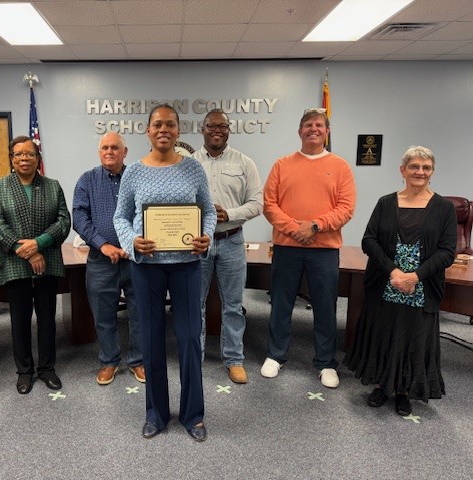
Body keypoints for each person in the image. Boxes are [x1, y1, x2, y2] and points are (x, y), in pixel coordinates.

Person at [114, 104, 216, 442]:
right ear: (147, 130)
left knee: (189, 340)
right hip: (147, 268)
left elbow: (208, 212)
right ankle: (156, 414)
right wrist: (132, 241)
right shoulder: (133, 172)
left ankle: (193, 415)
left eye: (170, 125)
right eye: (157, 124)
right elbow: (120, 217)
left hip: (186, 266)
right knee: (152, 340)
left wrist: (206, 236)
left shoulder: (193, 168)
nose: (163, 130)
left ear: (178, 130)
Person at [344, 146, 456, 416]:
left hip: (422, 286)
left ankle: (404, 391)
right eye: (414, 166)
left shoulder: (444, 208)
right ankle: (381, 386)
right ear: (402, 170)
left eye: (426, 167)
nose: (420, 172)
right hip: (385, 282)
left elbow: (447, 251)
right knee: (383, 332)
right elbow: (369, 240)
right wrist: (394, 272)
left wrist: (415, 276)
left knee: (413, 337)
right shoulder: (386, 203)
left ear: (432, 172)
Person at [261, 109, 356, 388]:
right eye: (308, 125)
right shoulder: (282, 165)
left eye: (319, 125)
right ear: (299, 131)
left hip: (324, 249)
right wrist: (295, 229)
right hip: (287, 247)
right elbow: (269, 205)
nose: (313, 129)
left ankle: (326, 362)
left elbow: (346, 208)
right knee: (281, 303)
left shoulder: (340, 166)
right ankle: (275, 355)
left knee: (325, 306)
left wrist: (314, 226)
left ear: (327, 131)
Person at [0, 135, 71, 395]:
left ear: (38, 158)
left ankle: (47, 368)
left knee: (47, 318)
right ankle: (24, 371)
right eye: (19, 154)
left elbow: (63, 221)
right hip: (14, 261)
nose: (24, 158)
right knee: (20, 319)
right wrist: (24, 250)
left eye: (30, 154)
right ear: (11, 159)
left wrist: (39, 243)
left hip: (47, 259)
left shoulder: (52, 186)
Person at [193, 109, 263, 384]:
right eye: (211, 126)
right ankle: (194, 356)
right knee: (194, 304)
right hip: (198, 243)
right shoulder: (190, 163)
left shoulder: (245, 162)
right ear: (203, 129)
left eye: (222, 126)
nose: (217, 131)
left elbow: (257, 203)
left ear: (228, 130)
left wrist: (229, 214)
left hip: (232, 240)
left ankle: (234, 359)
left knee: (233, 305)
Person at [72, 132, 145, 385]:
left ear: (125, 152)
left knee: (140, 314)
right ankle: (109, 361)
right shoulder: (87, 180)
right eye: (105, 148)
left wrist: (133, 243)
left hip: (136, 259)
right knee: (103, 316)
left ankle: (138, 361)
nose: (109, 152)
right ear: (99, 152)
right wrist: (103, 245)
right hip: (101, 260)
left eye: (115, 147)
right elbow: (79, 217)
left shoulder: (138, 178)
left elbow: (148, 214)